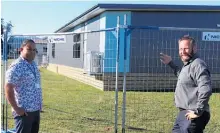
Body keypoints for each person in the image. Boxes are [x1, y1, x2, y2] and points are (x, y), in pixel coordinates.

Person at [160, 35, 212, 133]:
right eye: (180, 49)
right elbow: (183, 77)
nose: (182, 52)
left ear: (194, 48)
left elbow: (205, 89)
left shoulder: (198, 65)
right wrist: (171, 63)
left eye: (186, 48)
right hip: (184, 113)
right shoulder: (188, 65)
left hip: (193, 114)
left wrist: (198, 112)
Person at [5, 39, 42, 133]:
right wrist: (17, 108)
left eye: (34, 50)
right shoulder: (17, 66)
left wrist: (38, 106)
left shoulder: (33, 64)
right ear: (21, 49)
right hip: (24, 111)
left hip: (35, 109)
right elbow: (8, 88)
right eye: (29, 49)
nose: (32, 52)